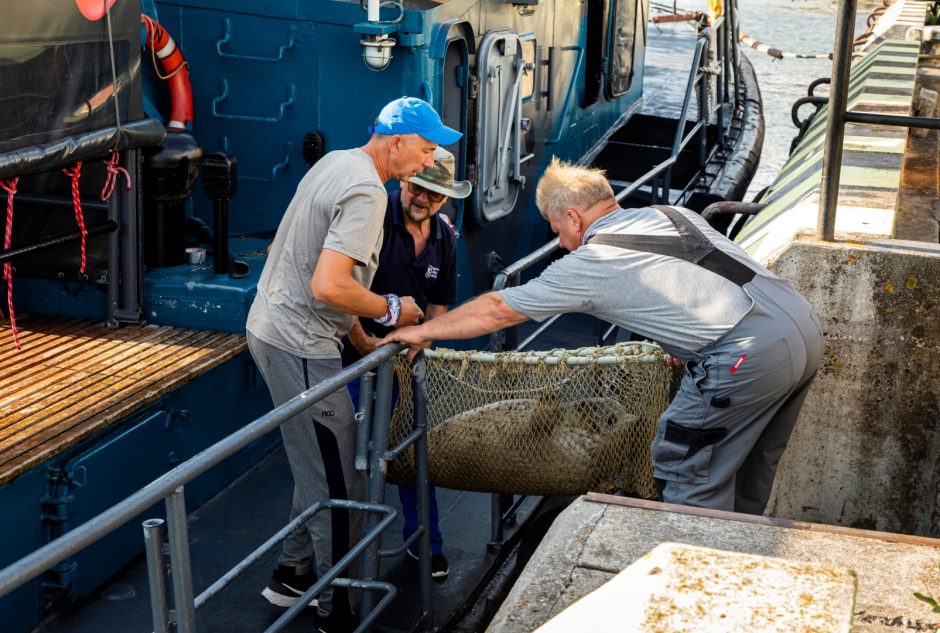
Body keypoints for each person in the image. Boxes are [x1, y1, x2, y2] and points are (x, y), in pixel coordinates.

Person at [381, 158, 823, 516]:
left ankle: (691, 590)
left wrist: (422, 330)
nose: (563, 245)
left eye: (558, 233)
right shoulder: (673, 214)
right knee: (750, 471)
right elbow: (697, 284)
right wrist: (682, 346)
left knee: (686, 468)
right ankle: (738, 567)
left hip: (746, 356)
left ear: (573, 217)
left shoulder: (591, 261)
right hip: (801, 329)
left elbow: (499, 308)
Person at [246, 97, 461, 632]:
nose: (427, 161)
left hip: (277, 329)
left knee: (319, 462)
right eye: (426, 148)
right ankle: (334, 607)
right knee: (339, 484)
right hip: (300, 345)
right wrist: (394, 308)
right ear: (396, 143)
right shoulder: (368, 191)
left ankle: (292, 573)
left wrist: (369, 334)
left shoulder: (337, 160)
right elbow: (329, 285)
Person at [341, 146, 470, 581]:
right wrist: (365, 348)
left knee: (415, 455)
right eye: (419, 188)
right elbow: (339, 292)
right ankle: (342, 557)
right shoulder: (373, 222)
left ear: (446, 199)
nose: (423, 200)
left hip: (405, 367)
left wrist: (422, 346)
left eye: (435, 195)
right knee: (348, 463)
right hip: (351, 363)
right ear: (404, 180)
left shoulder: (446, 239)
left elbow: (438, 309)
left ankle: (425, 544)